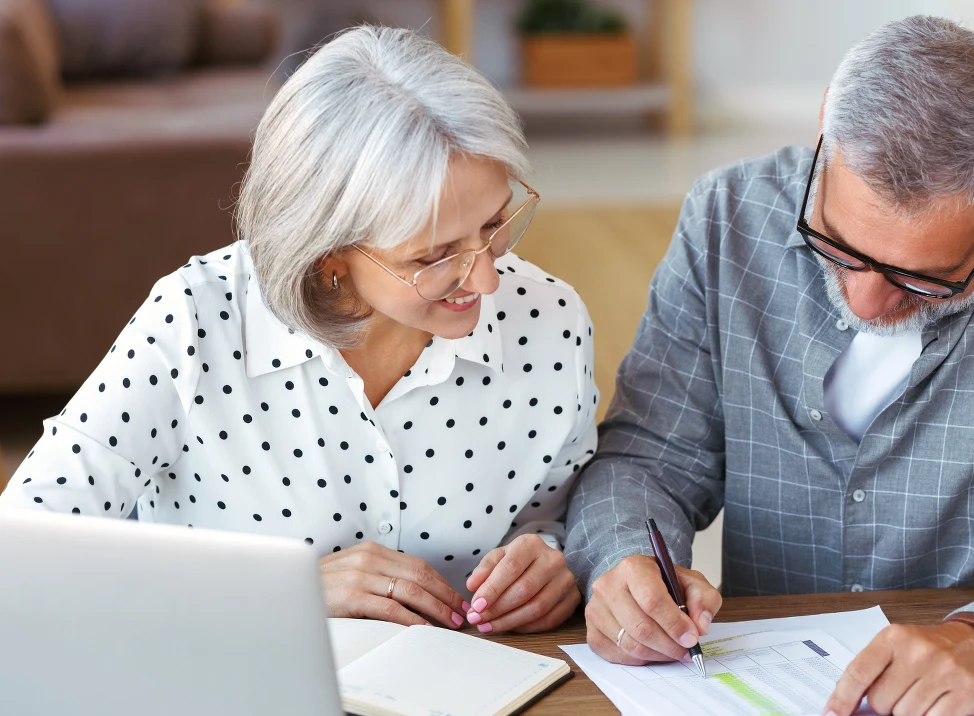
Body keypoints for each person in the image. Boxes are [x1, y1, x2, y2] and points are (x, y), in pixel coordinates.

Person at [565, 16, 974, 716]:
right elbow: (650, 455)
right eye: (837, 245)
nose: (867, 300)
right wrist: (624, 560)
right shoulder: (725, 217)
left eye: (923, 279)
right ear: (824, 135)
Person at [0, 27, 598, 636]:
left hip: (480, 705)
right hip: (223, 695)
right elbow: (23, 546)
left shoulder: (551, 322)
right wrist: (288, 592)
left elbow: (559, 517)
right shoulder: (194, 323)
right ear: (328, 256)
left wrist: (557, 562)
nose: (488, 278)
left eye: (495, 224)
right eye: (434, 256)